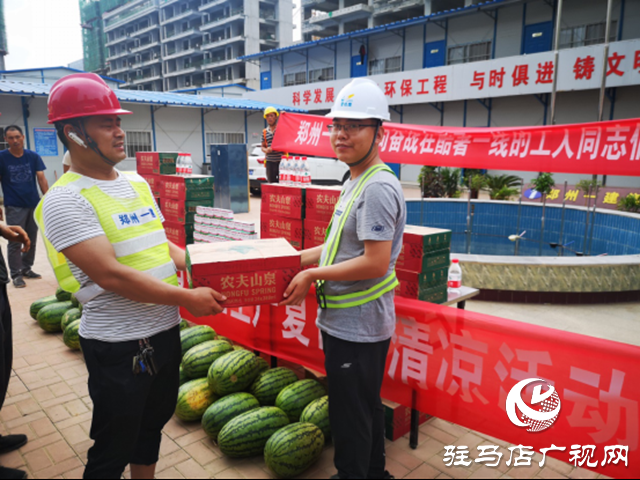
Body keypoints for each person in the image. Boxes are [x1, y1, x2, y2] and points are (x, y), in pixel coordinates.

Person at [35, 73, 226, 480]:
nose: (120, 132)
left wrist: (213, 263)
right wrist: (188, 299)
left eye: (118, 121)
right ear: (74, 133)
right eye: (106, 123)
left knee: (150, 429)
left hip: (164, 333)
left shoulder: (136, 182)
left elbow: (164, 246)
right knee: (112, 445)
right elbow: (111, 275)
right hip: (120, 347)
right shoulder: (66, 198)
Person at [281, 78, 406, 479]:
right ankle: (375, 474)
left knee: (349, 418)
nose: (341, 135)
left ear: (379, 132)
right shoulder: (354, 180)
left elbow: (374, 262)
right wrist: (293, 258)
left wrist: (313, 272)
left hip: (359, 327)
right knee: (364, 406)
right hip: (347, 323)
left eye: (354, 126)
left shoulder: (378, 188)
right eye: (337, 126)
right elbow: (340, 245)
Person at [0, 125, 49, 289]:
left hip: (33, 203)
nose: (14, 140)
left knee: (32, 239)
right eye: (10, 138)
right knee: (15, 240)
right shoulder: (2, 158)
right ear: (6, 139)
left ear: (23, 137)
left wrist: (47, 200)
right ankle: (16, 274)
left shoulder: (33, 156)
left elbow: (41, 179)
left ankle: (26, 268)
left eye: (17, 137)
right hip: (14, 205)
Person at [261, 106, 283, 183]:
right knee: (271, 183)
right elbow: (262, 146)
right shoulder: (264, 131)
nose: (270, 118)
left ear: (276, 117)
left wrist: (284, 116)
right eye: (267, 116)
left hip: (281, 162)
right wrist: (266, 150)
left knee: (282, 183)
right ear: (266, 118)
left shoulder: (281, 128)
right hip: (270, 162)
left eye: (271, 116)